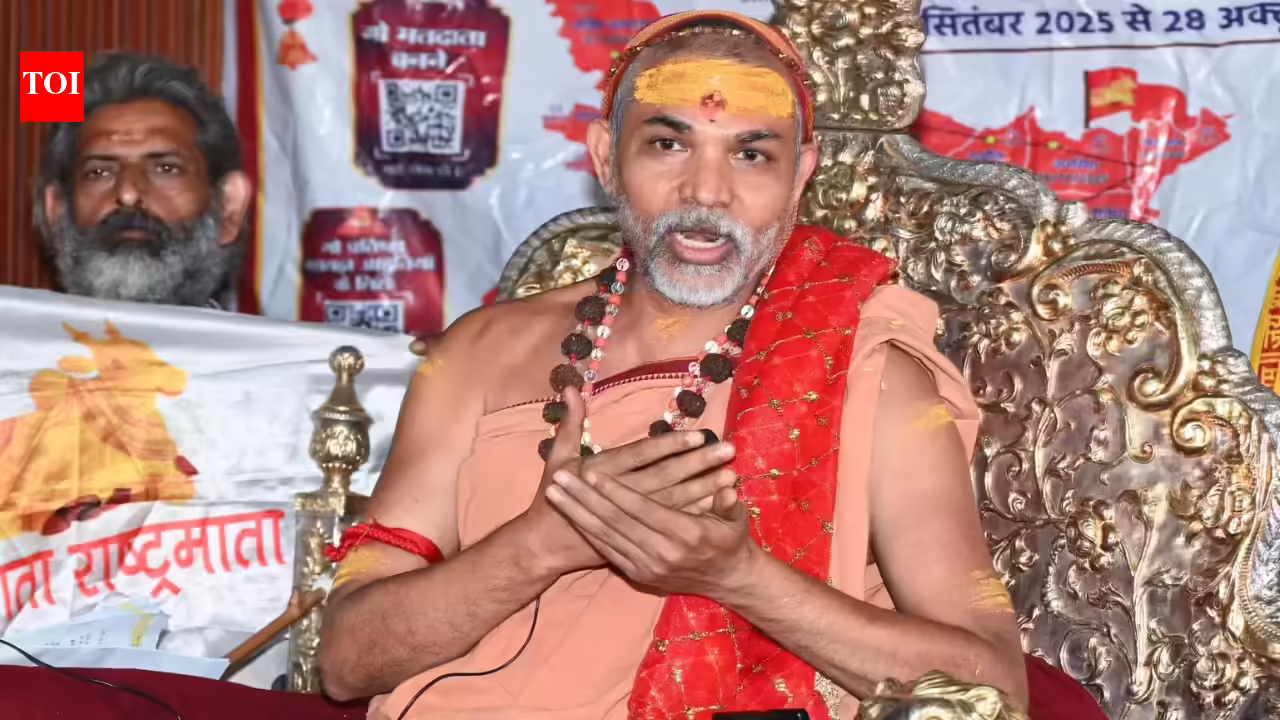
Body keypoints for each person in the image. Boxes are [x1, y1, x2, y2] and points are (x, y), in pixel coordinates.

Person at [319, 11, 1099, 720]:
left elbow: (988, 683)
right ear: (605, 157)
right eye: (669, 144)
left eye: (751, 154)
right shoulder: (476, 356)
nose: (707, 191)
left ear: (799, 175)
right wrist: (542, 544)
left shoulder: (871, 373)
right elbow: (348, 663)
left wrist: (739, 577)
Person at [33, 52, 251, 309]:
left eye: (166, 168)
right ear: (56, 211)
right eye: (99, 172)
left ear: (228, 208)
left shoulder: (285, 337)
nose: (128, 193)